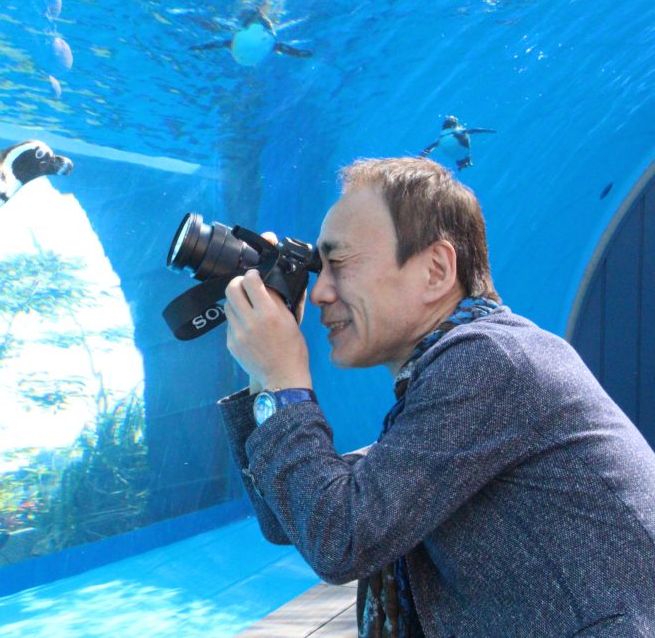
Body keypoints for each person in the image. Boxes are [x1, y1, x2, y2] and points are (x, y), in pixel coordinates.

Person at [218, 157, 655, 637]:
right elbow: (293, 518)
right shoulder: (455, 379)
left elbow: (341, 539)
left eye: (338, 263)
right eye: (317, 269)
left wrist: (282, 380)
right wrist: (266, 379)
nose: (319, 292)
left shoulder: (490, 359)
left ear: (436, 270)